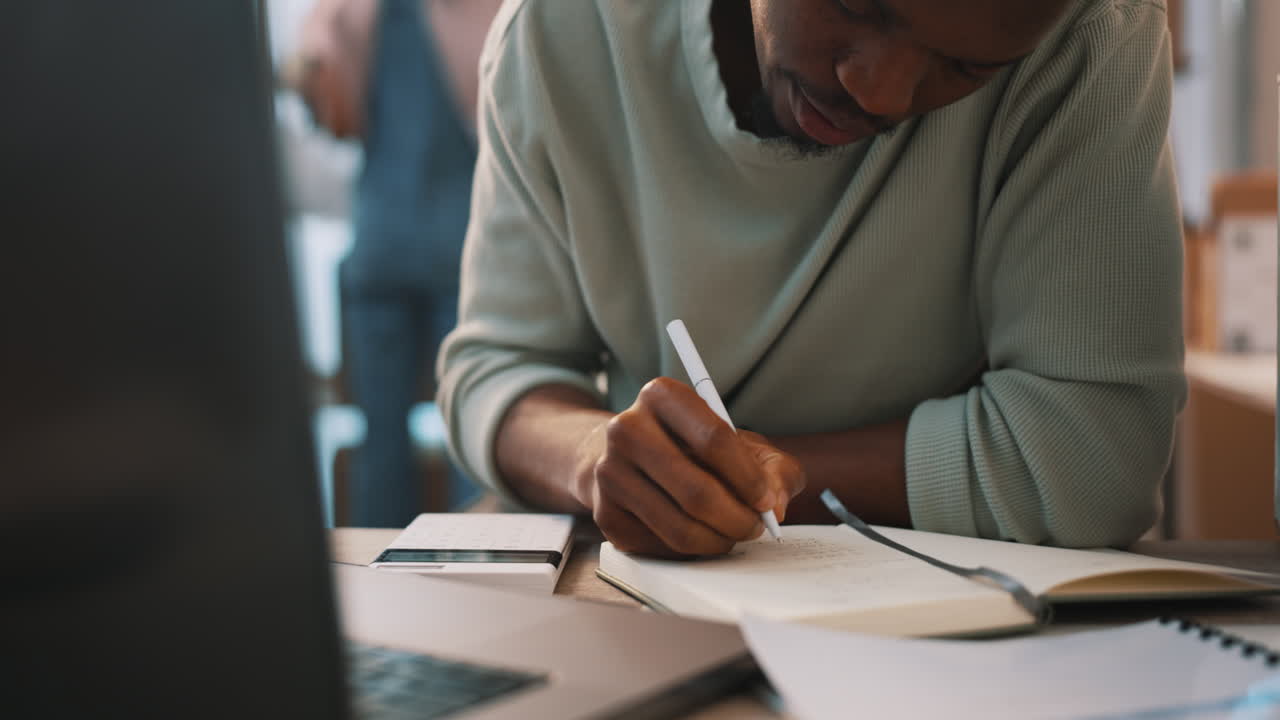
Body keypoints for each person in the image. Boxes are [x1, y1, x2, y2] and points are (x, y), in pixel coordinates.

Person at [438, 0, 1186, 556]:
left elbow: (1091, 460)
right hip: (639, 591)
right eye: (856, 6)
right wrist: (596, 457)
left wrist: (727, 483)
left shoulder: (1091, 33)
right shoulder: (565, 29)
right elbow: (499, 367)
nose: (881, 93)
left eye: (968, 69)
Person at [290, 0, 500, 526]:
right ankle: (473, 580)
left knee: (388, 440)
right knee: (464, 435)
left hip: (395, 244)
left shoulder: (350, 14)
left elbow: (320, 98)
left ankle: (384, 586)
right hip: (452, 249)